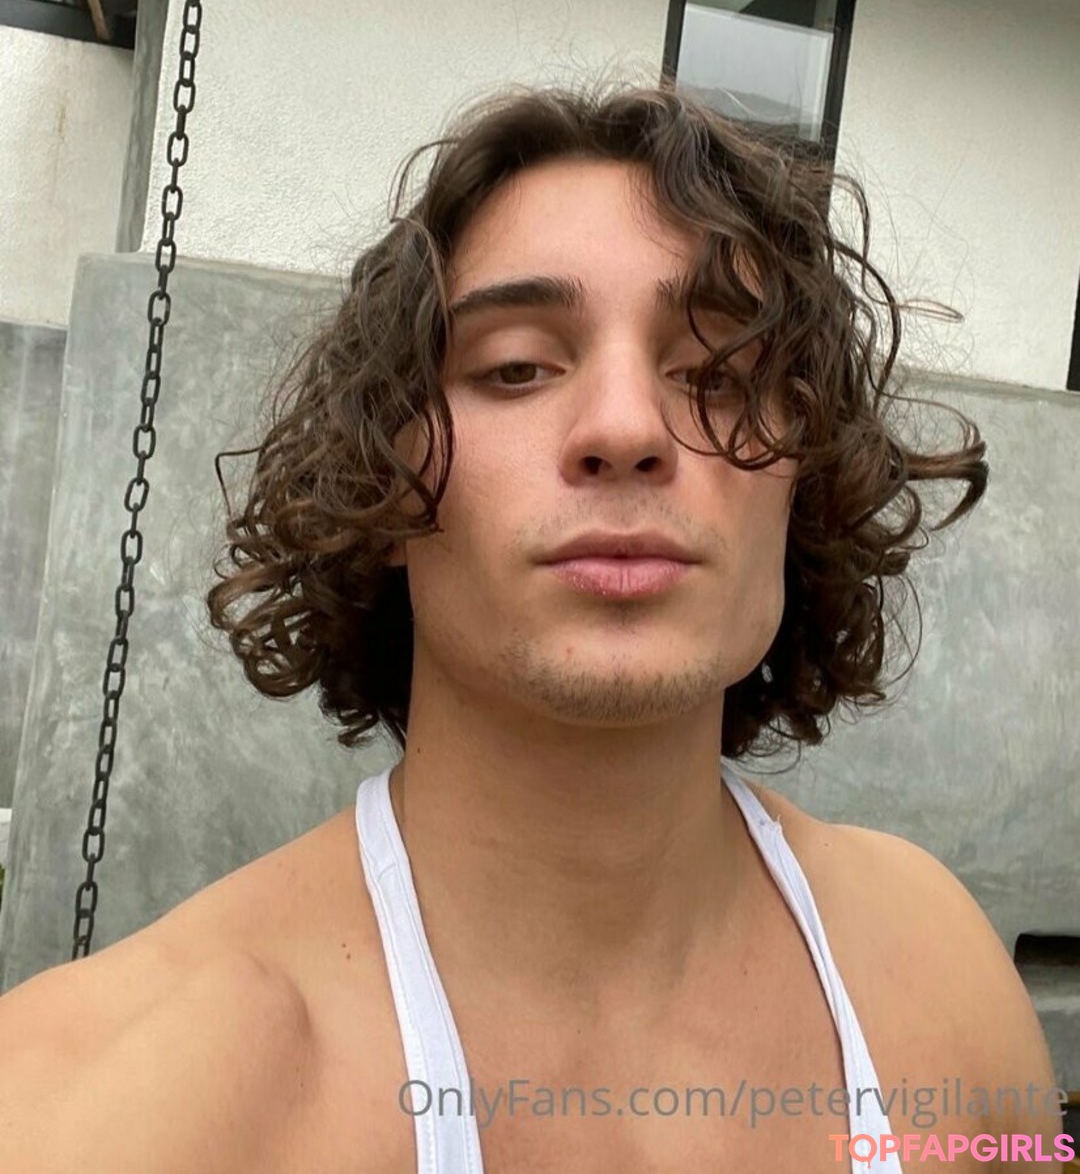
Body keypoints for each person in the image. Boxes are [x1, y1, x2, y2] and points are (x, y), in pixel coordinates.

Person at [0, 81, 1065, 1173]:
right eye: (515, 366)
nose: (626, 427)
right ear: (386, 481)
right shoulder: (93, 1111)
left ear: (804, 482)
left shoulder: (943, 982)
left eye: (719, 372)